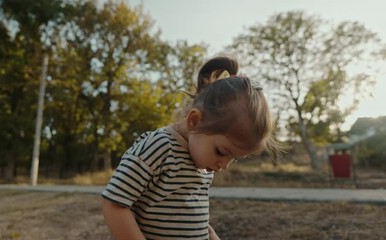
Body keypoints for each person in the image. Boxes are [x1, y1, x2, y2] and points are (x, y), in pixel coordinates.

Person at [101, 56, 283, 240]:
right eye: (221, 152)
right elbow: (114, 205)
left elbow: (186, 214)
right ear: (194, 121)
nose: (225, 165)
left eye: (234, 158)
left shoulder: (203, 163)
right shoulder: (159, 147)